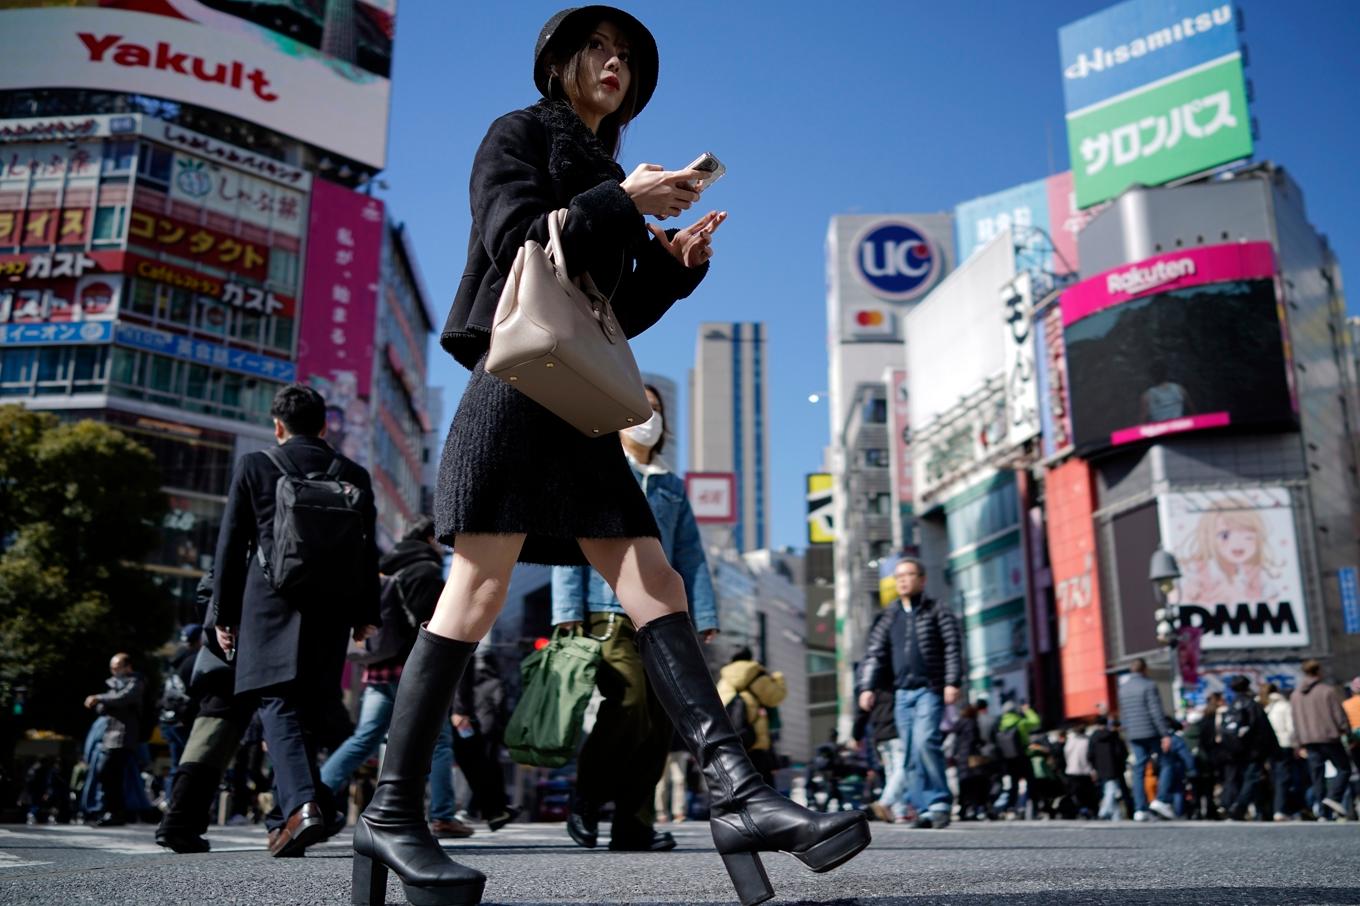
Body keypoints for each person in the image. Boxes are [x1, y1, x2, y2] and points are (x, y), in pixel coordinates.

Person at [350, 9, 867, 906]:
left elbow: (606, 320)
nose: (615, 62)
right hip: (512, 394)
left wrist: (672, 265)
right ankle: (393, 814)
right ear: (558, 64)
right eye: (599, 47)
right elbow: (518, 242)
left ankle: (738, 795)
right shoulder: (518, 135)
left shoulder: (605, 174)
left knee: (654, 580)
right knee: (475, 589)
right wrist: (626, 201)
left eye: (627, 55)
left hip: (576, 409)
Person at [213, 383, 381, 858]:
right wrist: (366, 615)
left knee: (275, 703)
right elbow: (368, 551)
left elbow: (232, 546)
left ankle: (304, 806)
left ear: (277, 425)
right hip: (332, 606)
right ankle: (282, 822)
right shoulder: (352, 472)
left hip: (271, 600)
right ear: (325, 425)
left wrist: (223, 614)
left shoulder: (256, 465)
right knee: (306, 707)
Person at [551, 383, 719, 852]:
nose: (651, 416)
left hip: (664, 616)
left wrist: (701, 613)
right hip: (608, 611)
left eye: (659, 409)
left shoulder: (671, 485)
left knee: (660, 720)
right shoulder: (598, 469)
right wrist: (567, 611)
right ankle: (585, 797)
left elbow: (690, 554)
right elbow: (571, 540)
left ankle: (634, 825)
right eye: (643, 408)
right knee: (627, 704)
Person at [320, 516, 475, 840]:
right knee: (441, 741)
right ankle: (443, 816)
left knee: (363, 739)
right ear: (431, 539)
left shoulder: (385, 566)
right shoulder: (425, 571)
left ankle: (312, 800)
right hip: (413, 672)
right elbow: (433, 627)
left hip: (377, 670)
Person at [857, 557, 963, 829]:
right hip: (901, 694)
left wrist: (953, 681)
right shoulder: (890, 616)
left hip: (930, 689)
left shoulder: (937, 610)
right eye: (898, 576)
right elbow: (874, 654)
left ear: (922, 579)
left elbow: (953, 646)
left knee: (925, 741)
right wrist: (866, 686)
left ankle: (939, 802)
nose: (902, 580)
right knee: (909, 754)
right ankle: (924, 808)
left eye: (909, 574)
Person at [82, 653, 145, 826]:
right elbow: (102, 708)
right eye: (112, 667)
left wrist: (101, 698)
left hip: (123, 736)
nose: (114, 671)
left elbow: (123, 699)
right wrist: (105, 701)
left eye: (117, 667)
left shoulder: (135, 682)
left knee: (112, 774)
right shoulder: (112, 685)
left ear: (128, 667)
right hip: (109, 735)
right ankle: (111, 811)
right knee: (106, 774)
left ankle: (116, 812)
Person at [1290, 660, 1353, 821]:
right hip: (1328, 737)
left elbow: (1295, 720)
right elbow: (1339, 715)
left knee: (1317, 775)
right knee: (1344, 768)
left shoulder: (1295, 695)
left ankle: (1323, 813)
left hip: (1308, 739)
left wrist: (1298, 742)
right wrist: (1346, 731)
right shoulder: (1327, 691)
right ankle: (1334, 797)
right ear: (1318, 671)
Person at [719, 647, 788, 788]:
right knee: (764, 787)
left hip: (731, 742)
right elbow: (776, 697)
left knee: (737, 788)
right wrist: (778, 678)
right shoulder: (758, 676)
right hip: (756, 741)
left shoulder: (723, 681)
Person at [1115, 658, 1172, 821]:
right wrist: (1165, 734)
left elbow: (1123, 714)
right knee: (1166, 762)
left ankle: (1140, 809)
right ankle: (1160, 799)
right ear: (1145, 669)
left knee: (1139, 769)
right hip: (1151, 731)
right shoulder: (1149, 685)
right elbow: (1155, 711)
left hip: (1133, 733)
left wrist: (1127, 732)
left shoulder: (1123, 688)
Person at [1220, 675, 1277, 821]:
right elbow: (1264, 729)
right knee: (1252, 779)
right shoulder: (1251, 704)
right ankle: (1240, 807)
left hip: (1235, 750)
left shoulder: (1231, 705)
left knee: (1239, 779)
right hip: (1253, 750)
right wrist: (1272, 749)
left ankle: (1237, 805)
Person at [159, 623, 202, 776]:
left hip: (168, 718)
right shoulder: (195, 659)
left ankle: (173, 798)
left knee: (176, 766)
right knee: (193, 764)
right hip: (185, 719)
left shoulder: (174, 659)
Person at [950, 704, 991, 821]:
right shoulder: (971, 723)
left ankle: (963, 810)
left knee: (964, 785)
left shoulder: (959, 723)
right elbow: (973, 739)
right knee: (975, 784)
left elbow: (956, 741)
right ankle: (974, 809)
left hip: (960, 757)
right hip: (971, 757)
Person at [1262, 682, 1296, 821]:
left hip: (1269, 747)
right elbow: (1291, 727)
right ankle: (1280, 809)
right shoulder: (1284, 705)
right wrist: (1294, 743)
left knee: (1273, 778)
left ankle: (1270, 810)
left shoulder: (1266, 707)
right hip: (1284, 744)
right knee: (1284, 778)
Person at [1090, 717, 1129, 821]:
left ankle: (1116, 815)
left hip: (1100, 767)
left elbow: (1090, 754)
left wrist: (1094, 768)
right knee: (1111, 790)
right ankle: (1104, 812)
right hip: (1113, 767)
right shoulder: (1113, 737)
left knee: (1109, 789)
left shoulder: (1093, 737)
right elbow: (1121, 753)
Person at [1063, 721, 1097, 819]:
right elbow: (1090, 756)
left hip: (1071, 770)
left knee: (1075, 793)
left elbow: (1066, 753)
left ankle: (1078, 810)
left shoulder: (1070, 740)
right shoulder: (1087, 741)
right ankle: (1086, 810)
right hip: (1085, 771)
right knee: (1086, 794)